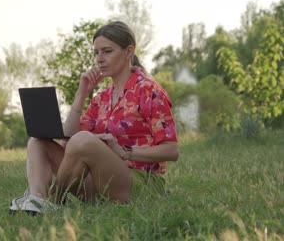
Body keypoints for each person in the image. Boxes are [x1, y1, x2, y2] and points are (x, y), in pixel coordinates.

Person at [9, 21, 179, 215]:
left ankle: (52, 200)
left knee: (83, 140)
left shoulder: (149, 91)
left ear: (128, 52)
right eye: (96, 53)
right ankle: (38, 200)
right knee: (37, 142)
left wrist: (125, 153)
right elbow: (68, 136)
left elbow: (172, 150)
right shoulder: (102, 97)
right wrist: (81, 94)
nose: (99, 59)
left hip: (140, 183)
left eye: (107, 51)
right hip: (101, 181)